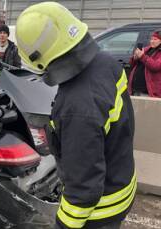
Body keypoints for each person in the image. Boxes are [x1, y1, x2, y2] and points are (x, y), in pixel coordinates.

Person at [16, 2, 135, 229]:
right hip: (121, 180)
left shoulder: (76, 107)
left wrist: (64, 224)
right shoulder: (106, 63)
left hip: (100, 212)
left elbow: (83, 190)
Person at [128, 30, 161, 97]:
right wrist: (135, 58)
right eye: (151, 39)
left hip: (148, 91)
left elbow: (155, 66)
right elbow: (131, 64)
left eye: (155, 39)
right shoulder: (146, 49)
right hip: (135, 89)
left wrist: (142, 56)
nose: (152, 41)